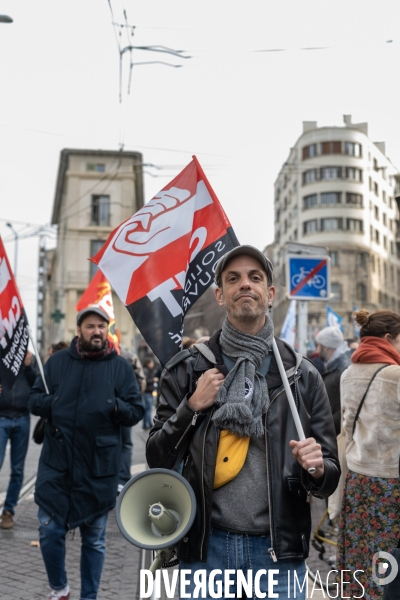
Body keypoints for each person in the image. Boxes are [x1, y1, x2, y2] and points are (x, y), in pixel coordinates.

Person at [146, 245, 340, 599]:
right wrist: (191, 407)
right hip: (207, 550)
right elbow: (157, 458)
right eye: (233, 279)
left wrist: (316, 469)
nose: (244, 285)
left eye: (255, 277)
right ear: (220, 295)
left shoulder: (302, 374)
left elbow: (329, 475)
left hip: (278, 555)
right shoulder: (188, 370)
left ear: (270, 294)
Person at [28, 306, 144, 600]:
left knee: (94, 540)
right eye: (90, 326)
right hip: (57, 465)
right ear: (78, 330)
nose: (96, 331)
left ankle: (89, 596)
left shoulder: (120, 368)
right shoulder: (56, 363)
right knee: (50, 531)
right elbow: (34, 399)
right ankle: (60, 587)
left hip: (98, 469)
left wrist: (116, 407)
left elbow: (136, 410)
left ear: (107, 330)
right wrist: (53, 404)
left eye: (101, 326)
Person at [338, 309, 400, 599]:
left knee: (362, 558)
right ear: (388, 338)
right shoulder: (395, 374)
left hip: (359, 480)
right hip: (392, 483)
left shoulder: (348, 373)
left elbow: (346, 430)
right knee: (390, 562)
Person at [0, 350, 38, 529]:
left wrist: (29, 366)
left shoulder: (28, 358)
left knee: (17, 469)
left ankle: (8, 511)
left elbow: (38, 384)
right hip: (1, 417)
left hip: (22, 418)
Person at [118, 348, 146, 493]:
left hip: (109, 409)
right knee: (126, 445)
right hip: (126, 407)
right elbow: (141, 380)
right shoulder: (130, 356)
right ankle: (122, 480)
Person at [315, 326, 352, 435]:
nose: (316, 350)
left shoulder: (343, 369)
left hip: (337, 434)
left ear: (326, 348)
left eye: (318, 346)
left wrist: (325, 424)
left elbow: (347, 407)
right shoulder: (333, 366)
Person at [142, 356, 158, 430]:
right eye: (151, 363)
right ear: (148, 363)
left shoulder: (150, 370)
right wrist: (153, 380)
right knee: (148, 409)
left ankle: (147, 424)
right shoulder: (145, 370)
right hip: (147, 392)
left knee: (148, 408)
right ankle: (147, 424)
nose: (153, 364)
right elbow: (145, 380)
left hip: (150, 392)